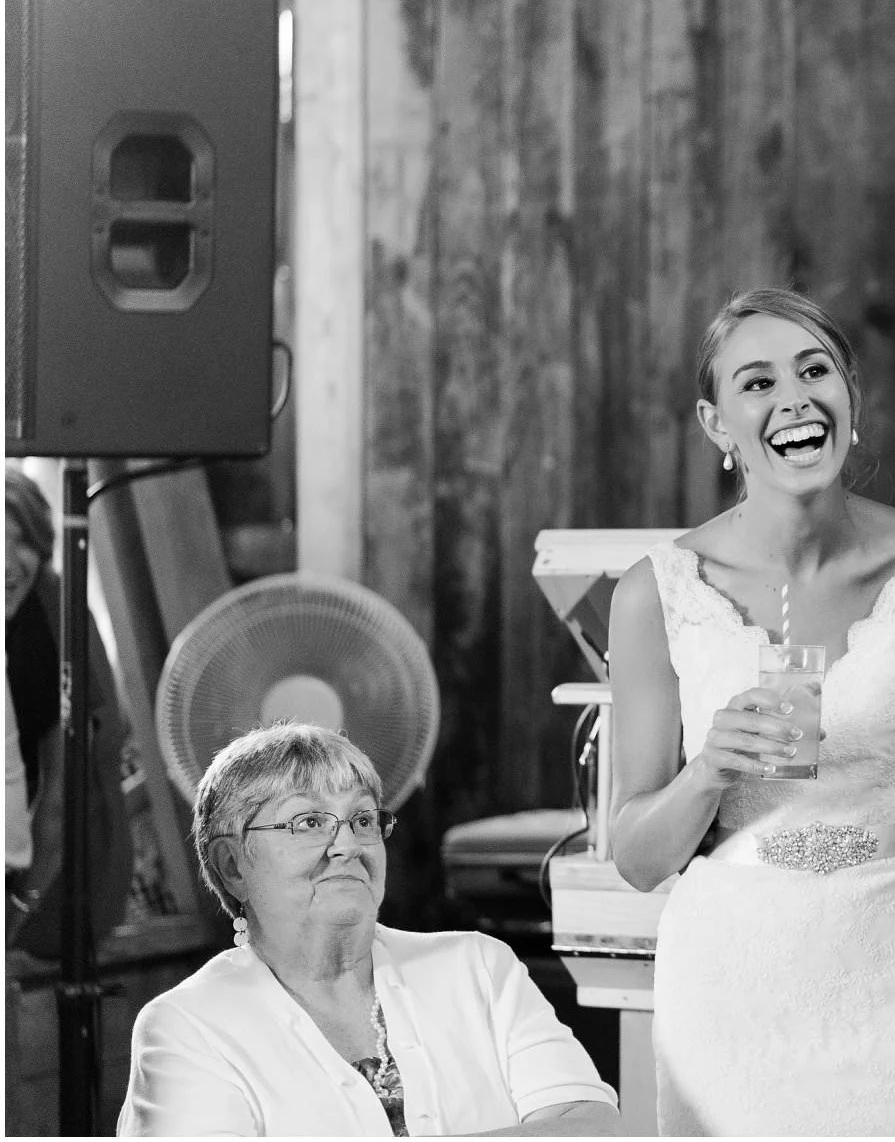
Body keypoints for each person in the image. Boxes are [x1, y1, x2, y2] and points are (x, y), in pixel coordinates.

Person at [608, 287, 895, 1135]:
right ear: (717, 425)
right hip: (731, 987)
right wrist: (707, 771)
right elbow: (635, 857)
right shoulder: (656, 593)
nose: (794, 399)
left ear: (849, 395)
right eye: (758, 383)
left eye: (815, 371)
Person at [118, 722, 618, 1136]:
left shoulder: (479, 967)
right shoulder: (188, 1026)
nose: (348, 845)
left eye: (362, 819)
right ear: (232, 866)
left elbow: (594, 1127)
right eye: (309, 822)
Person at [5, 465, 132, 954]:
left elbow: (62, 797)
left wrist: (17, 910)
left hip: (60, 884)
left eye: (23, 540)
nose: (9, 562)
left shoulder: (51, 620)